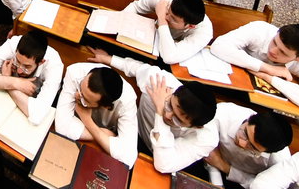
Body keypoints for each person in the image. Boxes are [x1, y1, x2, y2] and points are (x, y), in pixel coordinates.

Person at [90, 48, 219, 173]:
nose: (168, 115)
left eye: (177, 119)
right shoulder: (160, 82)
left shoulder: (206, 137)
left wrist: (159, 110)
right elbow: (137, 68)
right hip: (131, 132)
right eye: (170, 105)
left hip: (156, 158)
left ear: (196, 127)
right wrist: (107, 59)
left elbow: (163, 165)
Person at [210, 22, 299, 118]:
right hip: (226, 79)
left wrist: (270, 78)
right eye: (274, 42)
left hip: (258, 101)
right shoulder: (261, 30)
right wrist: (267, 68)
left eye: (283, 52)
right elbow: (219, 46)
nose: (273, 51)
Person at [0, 31, 64, 123]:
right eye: (18, 62)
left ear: (41, 62)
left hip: (38, 99)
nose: (19, 70)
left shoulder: (55, 65)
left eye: (27, 66)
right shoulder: (13, 43)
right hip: (18, 101)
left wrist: (7, 81)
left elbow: (37, 115)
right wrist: (15, 82)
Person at [53, 62, 137, 167]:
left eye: (85, 99)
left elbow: (128, 158)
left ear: (106, 107)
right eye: (79, 88)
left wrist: (87, 121)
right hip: (78, 144)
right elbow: (62, 128)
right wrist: (105, 134)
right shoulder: (75, 72)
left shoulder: (127, 101)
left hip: (99, 154)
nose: (76, 95)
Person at [201, 103, 296, 189]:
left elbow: (263, 185)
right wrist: (216, 180)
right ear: (249, 119)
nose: (242, 143)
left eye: (252, 147)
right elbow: (207, 150)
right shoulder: (224, 113)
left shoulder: (280, 161)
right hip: (206, 164)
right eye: (245, 133)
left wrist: (224, 167)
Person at [119, 0, 213, 65]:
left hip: (165, 56)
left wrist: (161, 18)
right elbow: (135, 6)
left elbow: (169, 57)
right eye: (167, 12)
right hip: (148, 38)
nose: (167, 17)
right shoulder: (164, 0)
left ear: (190, 26)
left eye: (173, 19)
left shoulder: (204, 32)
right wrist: (121, 25)